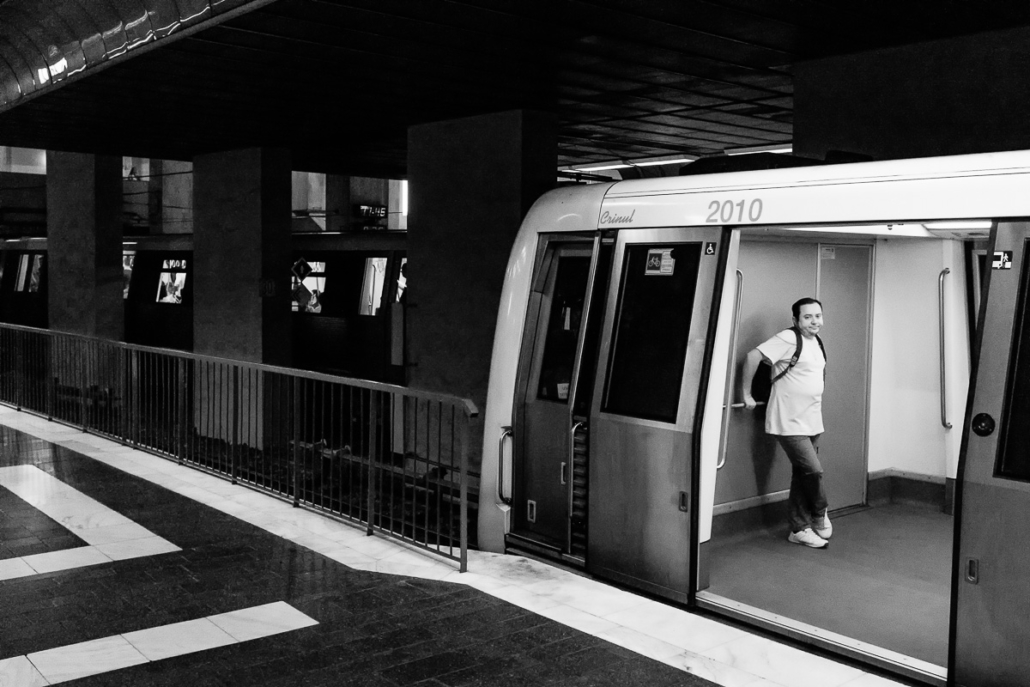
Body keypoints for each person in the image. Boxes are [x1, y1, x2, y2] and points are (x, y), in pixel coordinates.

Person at [742, 297, 831, 549]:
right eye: (807, 317)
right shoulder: (788, 338)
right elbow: (752, 357)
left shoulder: (816, 342)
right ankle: (819, 511)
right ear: (796, 320)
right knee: (813, 470)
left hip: (812, 420)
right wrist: (746, 394)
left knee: (802, 474)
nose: (814, 321)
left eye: (818, 316)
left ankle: (799, 529)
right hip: (788, 421)